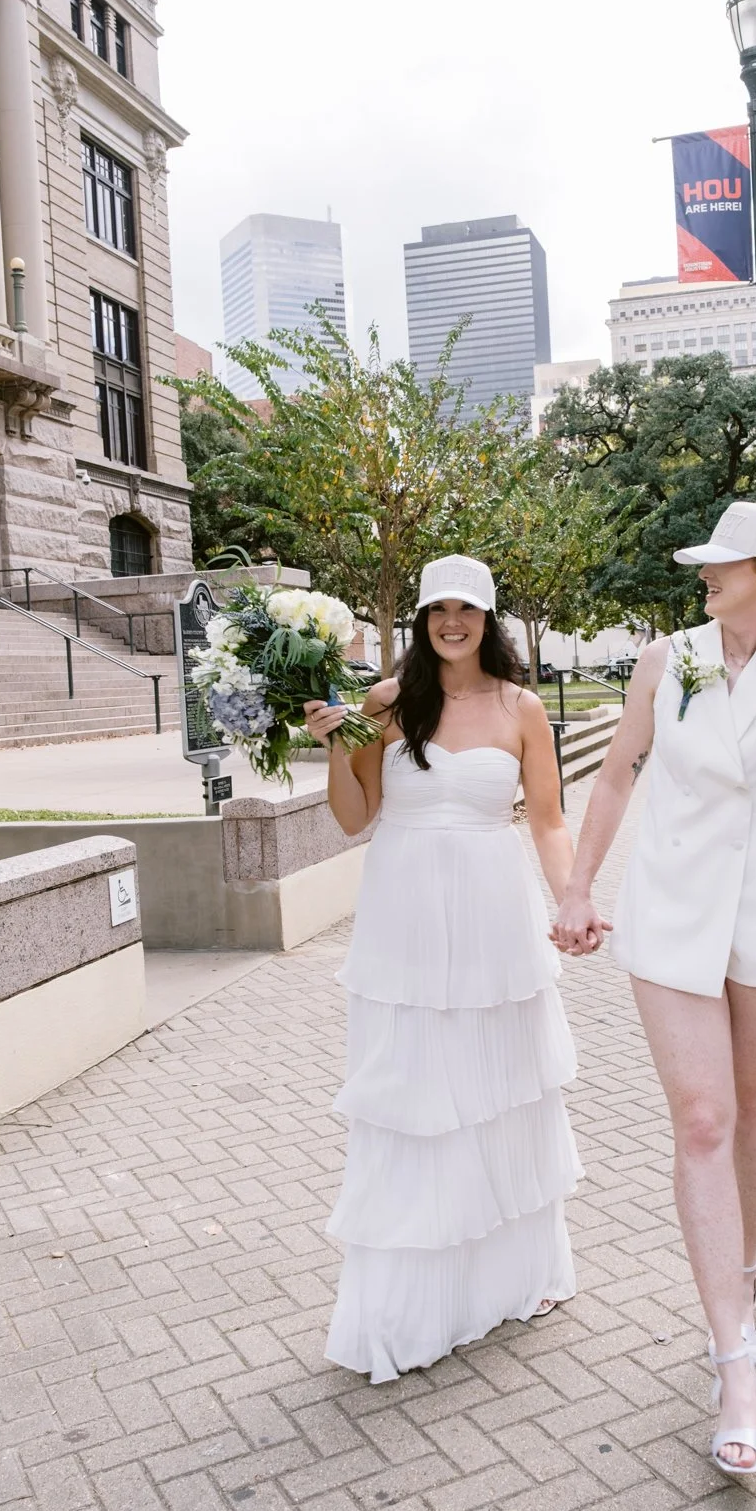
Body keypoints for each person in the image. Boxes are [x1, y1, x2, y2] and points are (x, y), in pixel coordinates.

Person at [552, 504, 756, 1476]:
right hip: (672, 908)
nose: (704, 576)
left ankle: (743, 1277)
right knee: (704, 1122)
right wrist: (576, 883)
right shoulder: (666, 657)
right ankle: (734, 1363)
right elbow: (615, 776)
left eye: (726, 563)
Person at [306, 554, 582, 1383]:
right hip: (405, 920)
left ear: (488, 619)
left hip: (498, 915)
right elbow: (356, 817)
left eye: (466, 609)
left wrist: (572, 901)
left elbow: (548, 821)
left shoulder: (522, 708)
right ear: (420, 621)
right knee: (418, 1094)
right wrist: (331, 750)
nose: (450, 623)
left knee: (500, 1090)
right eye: (436, 610)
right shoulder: (386, 704)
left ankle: (509, 1275)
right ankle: (416, 1298)